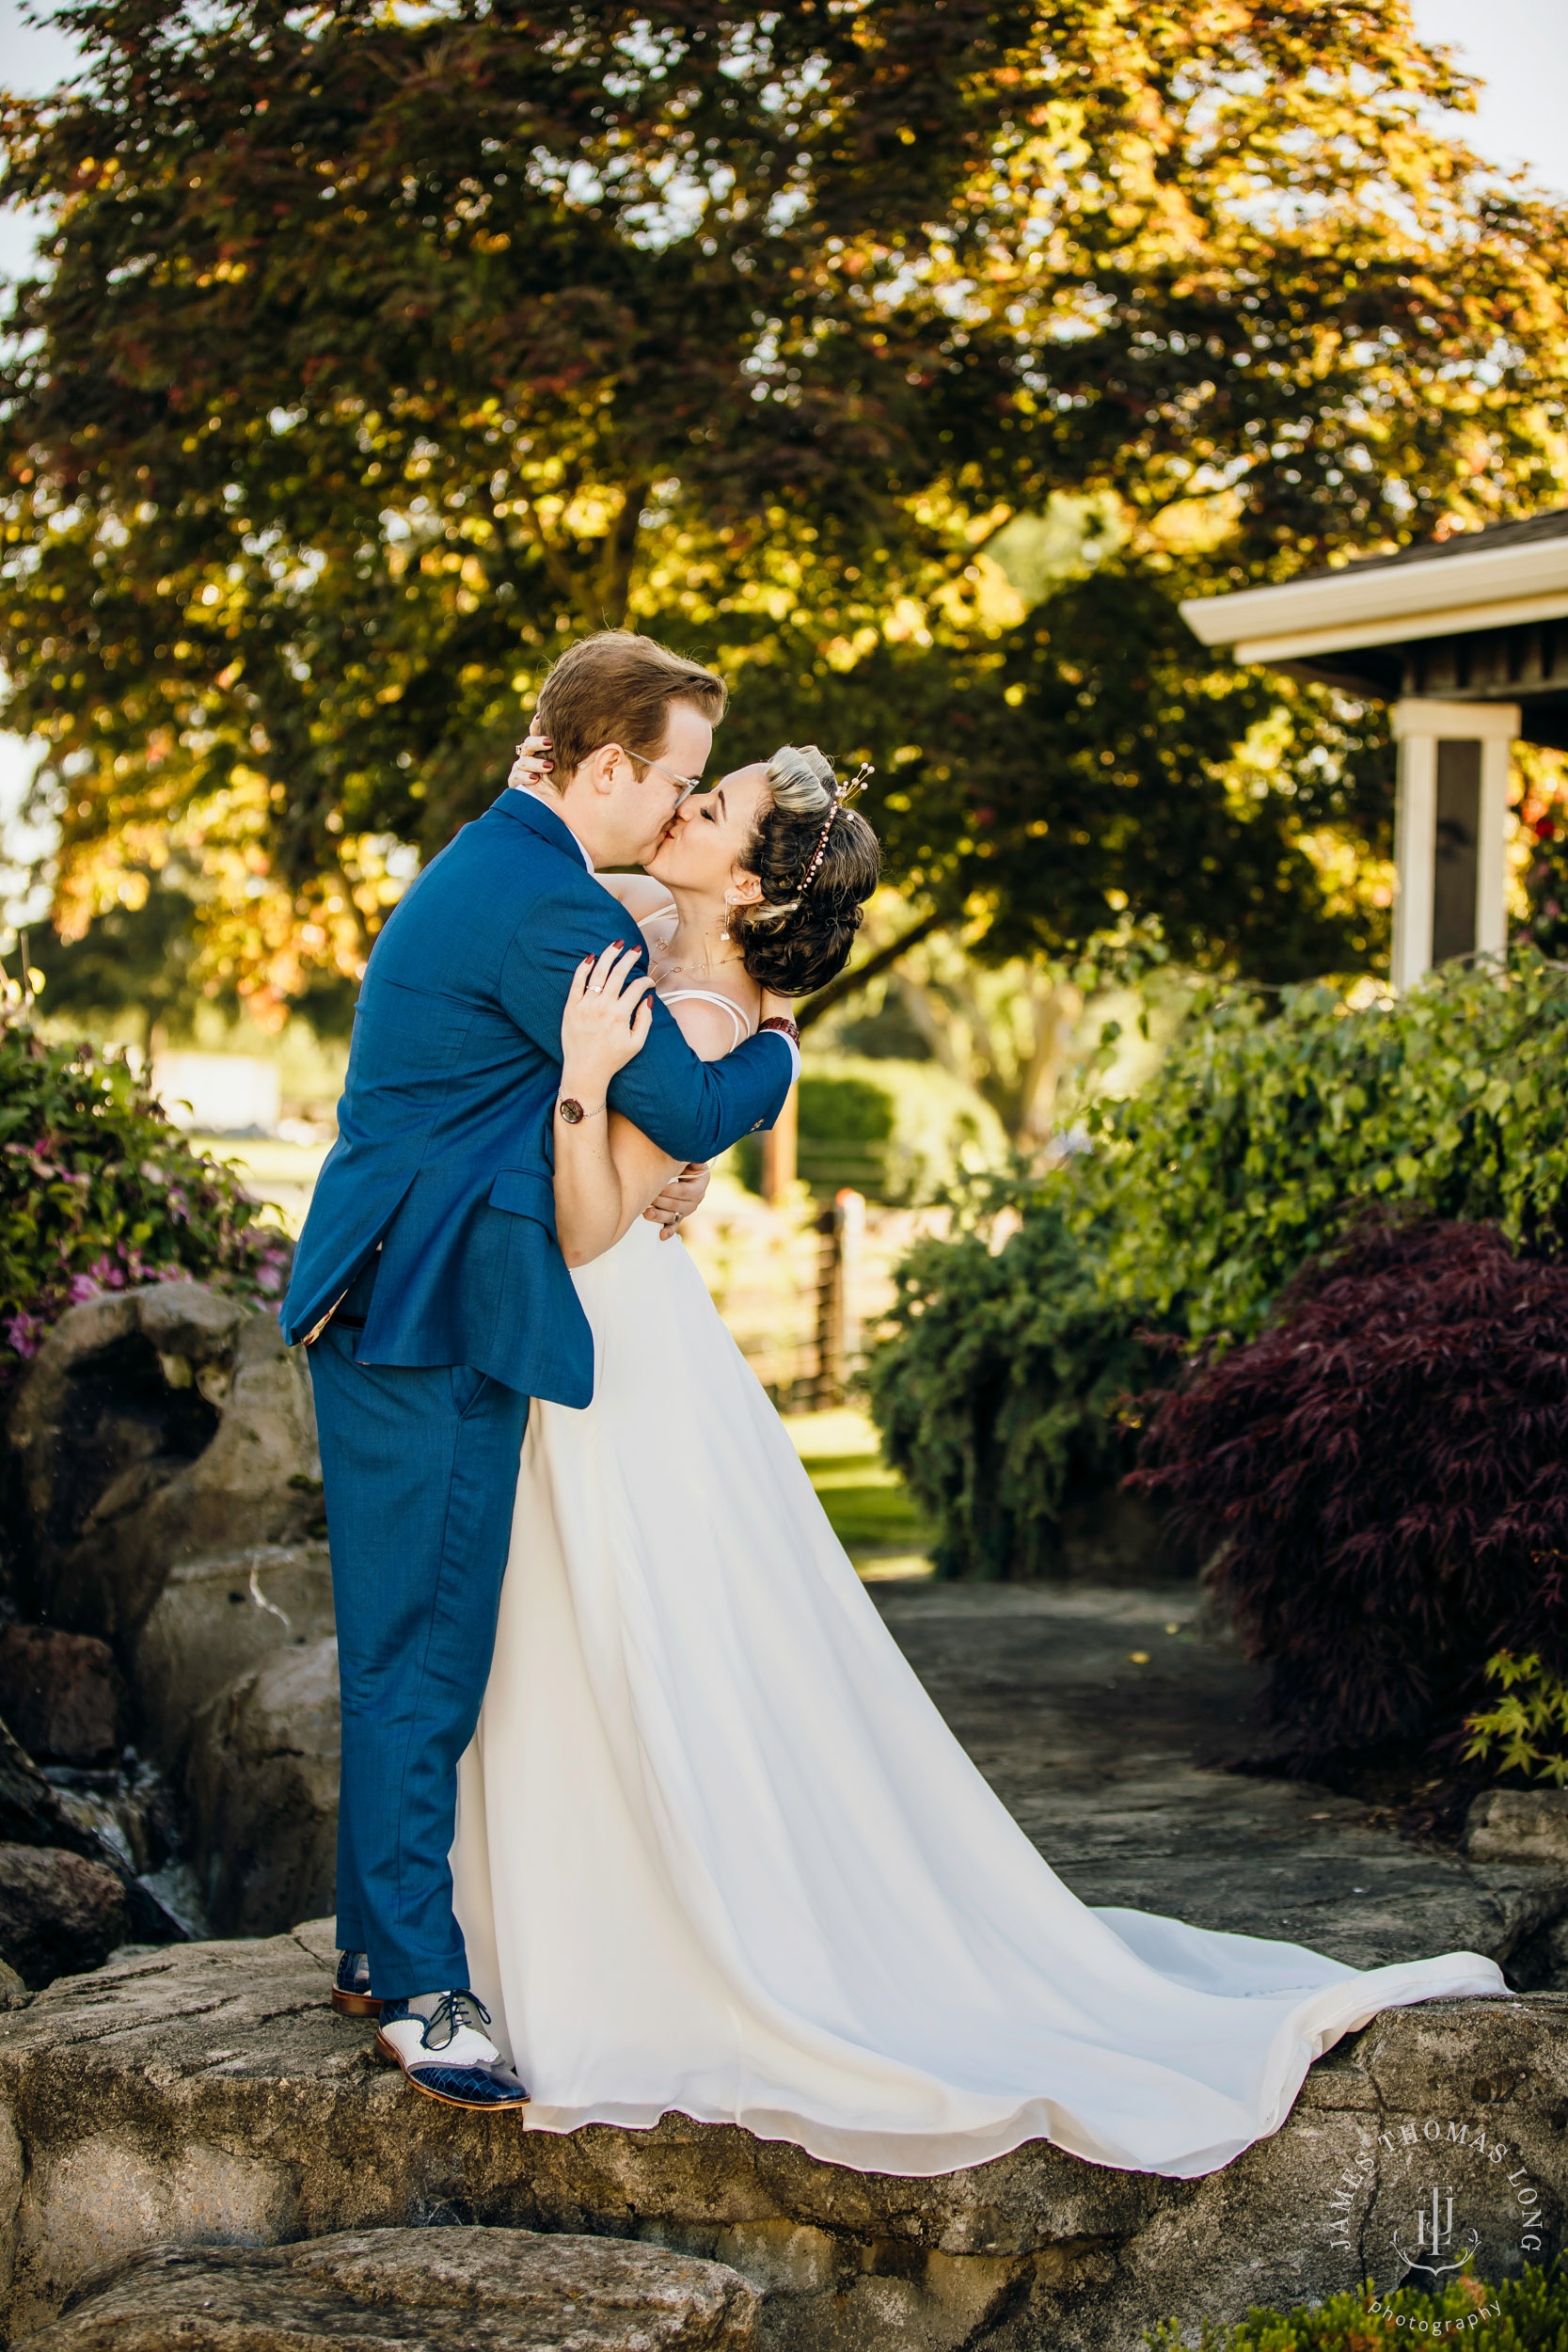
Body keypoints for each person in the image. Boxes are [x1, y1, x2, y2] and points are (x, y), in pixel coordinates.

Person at [443, 735, 1506, 2181]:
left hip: (607, 1355)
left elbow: (586, 1226)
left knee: (611, 1646)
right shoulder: (650, 942)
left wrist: (578, 1088)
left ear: (750, 886)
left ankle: (621, 1946)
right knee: (633, 1651)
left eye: (718, 804)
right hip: (638, 1348)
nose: (685, 806)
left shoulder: (697, 1020)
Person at [279, 631, 801, 2109]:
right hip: (420, 1308)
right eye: (678, 779)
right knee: (422, 1656)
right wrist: (780, 1044)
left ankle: (382, 1948)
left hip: (411, 1286)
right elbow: (693, 1101)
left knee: (414, 1643)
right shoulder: (551, 916)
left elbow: (630, 930)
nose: (684, 808)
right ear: (617, 767)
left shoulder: (517, 864)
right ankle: (422, 1993)